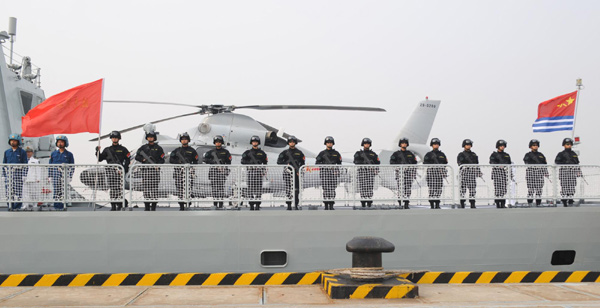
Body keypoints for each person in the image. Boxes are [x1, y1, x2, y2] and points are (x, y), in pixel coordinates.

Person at [96, 131, 130, 211]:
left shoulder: (123, 149)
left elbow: (128, 159)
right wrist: (97, 151)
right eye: (113, 138)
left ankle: (120, 203)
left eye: (116, 138)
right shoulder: (107, 150)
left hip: (119, 172)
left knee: (119, 188)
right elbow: (100, 158)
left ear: (119, 139)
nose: (114, 139)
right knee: (112, 189)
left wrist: (124, 169)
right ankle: (113, 205)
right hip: (110, 172)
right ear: (111, 139)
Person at [134, 131, 165, 211]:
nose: (150, 138)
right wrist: (143, 159)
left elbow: (162, 160)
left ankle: (153, 206)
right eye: (149, 137)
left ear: (154, 138)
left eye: (152, 137)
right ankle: (147, 206)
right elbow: (137, 156)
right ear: (147, 138)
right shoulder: (143, 148)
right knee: (146, 189)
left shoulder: (158, 148)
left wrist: (157, 165)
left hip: (155, 172)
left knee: (154, 189)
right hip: (146, 171)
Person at [169, 132, 199, 211]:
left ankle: (188, 203)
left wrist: (192, 167)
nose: (184, 141)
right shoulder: (177, 151)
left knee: (188, 188)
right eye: (182, 139)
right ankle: (181, 206)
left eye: (185, 139)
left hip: (188, 173)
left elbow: (196, 161)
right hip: (179, 173)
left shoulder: (192, 151)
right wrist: (178, 163)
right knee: (180, 189)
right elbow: (171, 159)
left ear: (188, 140)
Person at [277, 136, 305, 210]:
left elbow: (302, 164)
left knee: (296, 190)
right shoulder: (285, 153)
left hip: (297, 173)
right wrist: (287, 164)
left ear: (295, 143)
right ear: (288, 143)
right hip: (287, 173)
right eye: (290, 142)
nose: (292, 143)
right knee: (288, 189)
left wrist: (300, 171)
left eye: (293, 142)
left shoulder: (299, 153)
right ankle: (289, 205)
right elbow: (279, 162)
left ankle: (296, 204)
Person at [203, 135, 232, 208]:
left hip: (221, 172)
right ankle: (215, 204)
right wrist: (213, 162)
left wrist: (224, 168)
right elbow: (205, 159)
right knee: (214, 189)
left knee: (221, 188)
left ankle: (221, 204)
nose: (218, 143)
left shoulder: (225, 152)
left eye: (219, 142)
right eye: (216, 142)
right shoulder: (211, 152)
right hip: (213, 172)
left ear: (221, 143)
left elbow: (228, 162)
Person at [241, 136, 268, 211]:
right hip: (250, 172)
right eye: (253, 142)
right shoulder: (247, 153)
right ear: (251, 143)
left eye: (256, 142)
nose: (255, 143)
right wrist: (250, 163)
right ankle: (251, 204)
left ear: (258, 143)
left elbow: (265, 163)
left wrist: (263, 170)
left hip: (258, 172)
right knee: (250, 188)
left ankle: (258, 204)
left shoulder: (262, 153)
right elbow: (242, 161)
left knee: (259, 188)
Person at [389, 137, 417, 209]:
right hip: (400, 173)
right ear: (400, 144)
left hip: (408, 173)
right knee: (400, 188)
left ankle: (406, 203)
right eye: (402, 143)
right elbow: (392, 162)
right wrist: (398, 167)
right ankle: (400, 203)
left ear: (407, 144)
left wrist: (413, 172)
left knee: (408, 188)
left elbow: (415, 163)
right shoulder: (396, 154)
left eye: (405, 143)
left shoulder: (410, 154)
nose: (404, 144)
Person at [315, 136, 342, 210]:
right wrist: (325, 166)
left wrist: (336, 170)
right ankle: (326, 205)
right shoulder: (322, 153)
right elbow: (317, 163)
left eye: (330, 143)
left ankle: (331, 205)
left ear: (332, 144)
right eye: (328, 143)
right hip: (324, 174)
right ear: (325, 144)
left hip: (333, 174)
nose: (329, 144)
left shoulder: (336, 153)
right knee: (326, 189)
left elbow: (339, 164)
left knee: (332, 189)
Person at [49, 135, 75, 210]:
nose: (60, 144)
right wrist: (50, 176)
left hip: (64, 175)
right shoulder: (53, 154)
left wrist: (69, 176)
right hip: (55, 175)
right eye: (59, 142)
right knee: (56, 191)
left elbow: (72, 166)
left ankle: (63, 206)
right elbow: (50, 165)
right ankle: (56, 206)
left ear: (65, 143)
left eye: (62, 142)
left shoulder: (69, 154)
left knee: (63, 191)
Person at [353, 138, 380, 208]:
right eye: (365, 144)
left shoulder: (373, 154)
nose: (366, 145)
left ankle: (369, 202)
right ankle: (363, 203)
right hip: (362, 172)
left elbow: (377, 163)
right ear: (363, 145)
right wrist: (364, 163)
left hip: (370, 173)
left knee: (369, 187)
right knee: (363, 187)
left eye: (368, 144)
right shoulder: (359, 153)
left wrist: (375, 169)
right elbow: (356, 161)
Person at [3, 133, 27, 210]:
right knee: (9, 190)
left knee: (18, 190)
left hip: (18, 173)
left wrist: (24, 175)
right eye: (11, 141)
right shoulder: (7, 152)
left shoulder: (22, 152)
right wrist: (3, 175)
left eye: (14, 141)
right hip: (9, 174)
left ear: (18, 142)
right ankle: (10, 205)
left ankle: (18, 206)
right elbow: (4, 163)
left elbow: (25, 164)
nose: (13, 142)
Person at [555, 138, 580, 207]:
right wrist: (565, 163)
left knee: (572, 186)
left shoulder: (574, 154)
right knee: (564, 187)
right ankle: (564, 200)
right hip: (564, 172)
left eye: (570, 144)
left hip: (572, 172)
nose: (569, 145)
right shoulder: (561, 154)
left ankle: (571, 199)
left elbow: (577, 163)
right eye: (567, 144)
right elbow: (557, 162)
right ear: (564, 145)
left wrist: (578, 171)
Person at [423, 138, 448, 209]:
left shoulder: (442, 154)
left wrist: (442, 170)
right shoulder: (429, 154)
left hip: (439, 174)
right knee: (431, 189)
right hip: (431, 173)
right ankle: (431, 204)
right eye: (434, 144)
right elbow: (425, 163)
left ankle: (437, 203)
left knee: (438, 189)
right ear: (432, 145)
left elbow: (445, 163)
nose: (436, 145)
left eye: (437, 144)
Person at [523, 139, 548, 207]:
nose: (535, 146)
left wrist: (546, 172)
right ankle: (530, 203)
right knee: (531, 189)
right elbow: (526, 162)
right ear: (530, 146)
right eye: (534, 145)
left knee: (539, 189)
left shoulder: (541, 155)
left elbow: (545, 164)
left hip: (539, 173)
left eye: (536, 145)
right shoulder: (528, 155)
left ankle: (538, 203)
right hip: (531, 173)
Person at [457, 139, 480, 209]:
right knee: (462, 189)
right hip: (464, 173)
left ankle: (472, 203)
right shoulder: (461, 154)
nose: (468, 146)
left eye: (469, 145)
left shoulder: (473, 154)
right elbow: (459, 163)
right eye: (467, 145)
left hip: (472, 173)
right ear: (464, 146)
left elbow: (476, 164)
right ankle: (462, 203)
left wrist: (478, 171)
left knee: (472, 189)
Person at [489, 139, 512, 208]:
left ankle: (503, 203)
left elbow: (509, 164)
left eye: (503, 146)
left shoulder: (506, 155)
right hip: (497, 173)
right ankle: (497, 203)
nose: (502, 147)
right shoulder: (494, 155)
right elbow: (492, 162)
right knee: (497, 189)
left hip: (504, 173)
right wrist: (499, 166)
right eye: (501, 146)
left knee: (504, 189)